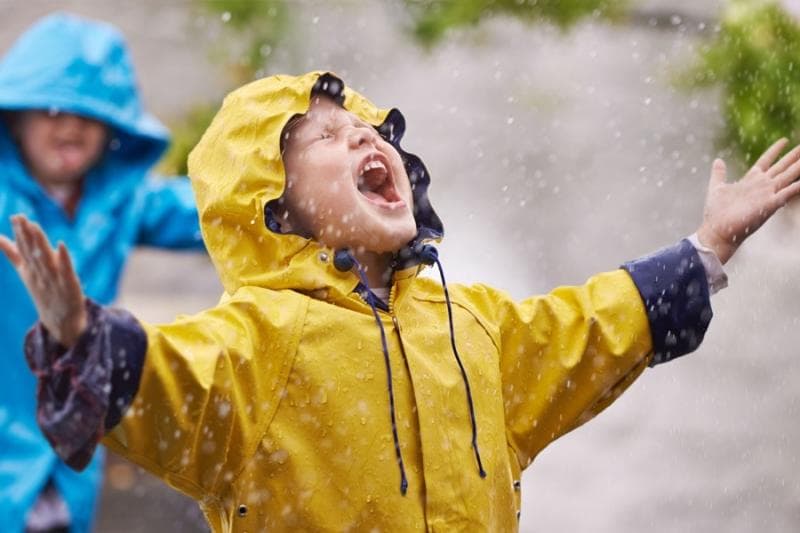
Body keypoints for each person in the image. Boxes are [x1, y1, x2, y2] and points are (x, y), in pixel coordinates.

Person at [2, 71, 799, 532]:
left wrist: (706, 249)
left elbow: (588, 327)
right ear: (271, 207)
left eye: (366, 128)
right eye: (320, 137)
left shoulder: (470, 323)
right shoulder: (260, 341)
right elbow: (168, 381)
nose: (360, 137)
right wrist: (78, 333)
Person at [0, 13, 204, 533]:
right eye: (50, 108)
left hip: (69, 451)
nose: (70, 124)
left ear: (115, 127)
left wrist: (302, 201)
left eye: (89, 114)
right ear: (15, 120)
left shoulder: (120, 202)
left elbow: (210, 213)